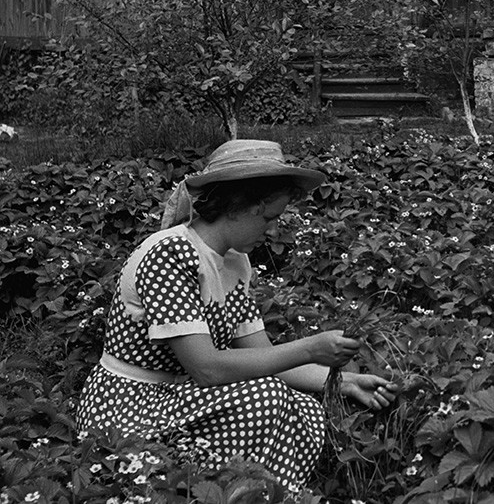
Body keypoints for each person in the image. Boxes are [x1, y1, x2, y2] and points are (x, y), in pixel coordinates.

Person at [76, 139, 398, 494]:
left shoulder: (234, 261)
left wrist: (341, 381)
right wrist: (309, 348)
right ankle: (222, 491)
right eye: (269, 217)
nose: (273, 230)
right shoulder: (170, 253)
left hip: (179, 399)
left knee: (302, 406)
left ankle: (261, 494)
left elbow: (263, 355)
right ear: (237, 206)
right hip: (130, 407)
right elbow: (206, 368)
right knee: (266, 397)